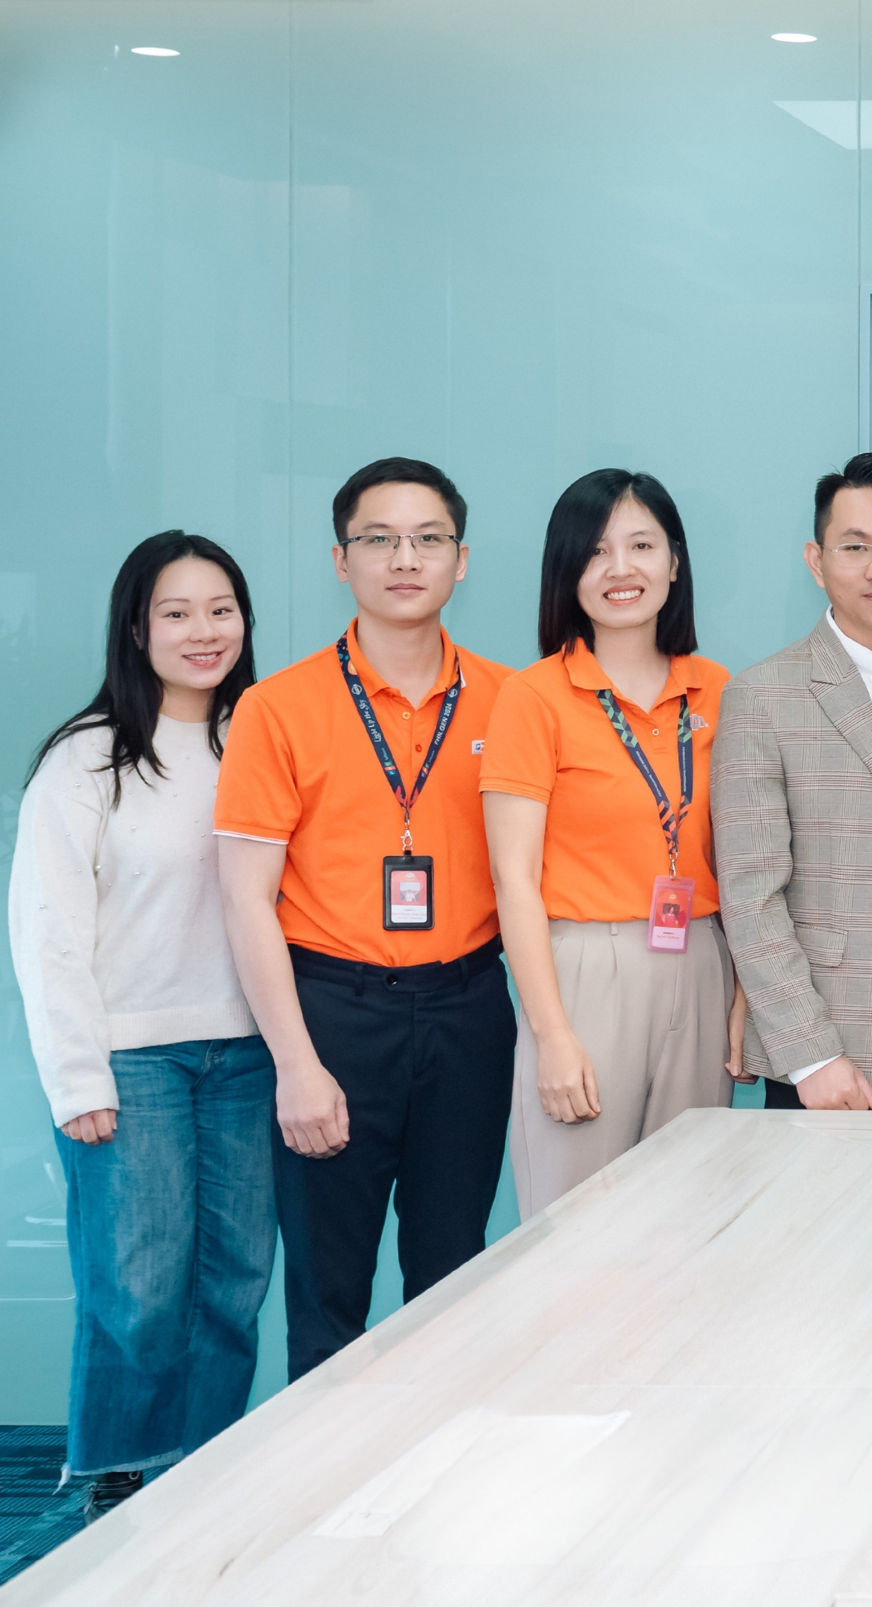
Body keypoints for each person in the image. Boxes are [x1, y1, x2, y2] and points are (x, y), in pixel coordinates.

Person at [213, 458, 512, 1379]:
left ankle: (442, 1463)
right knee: (327, 1295)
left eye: (428, 539)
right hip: (333, 1015)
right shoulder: (278, 708)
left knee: (454, 1280)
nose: (404, 559)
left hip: (469, 1011)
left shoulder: (512, 701)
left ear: (462, 559)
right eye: (379, 539)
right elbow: (245, 899)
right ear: (341, 561)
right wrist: (296, 1064)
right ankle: (322, 1472)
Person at [10, 534, 267, 1515]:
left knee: (235, 1284)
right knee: (138, 1286)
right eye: (176, 612)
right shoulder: (85, 759)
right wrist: (77, 1076)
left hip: (250, 1053)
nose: (204, 631)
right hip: (134, 1059)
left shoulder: (261, 736)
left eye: (221, 609)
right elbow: (47, 929)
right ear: (134, 628)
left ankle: (203, 1479)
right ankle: (113, 1482)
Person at [480, 471, 740, 1216]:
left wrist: (746, 995)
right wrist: (551, 1034)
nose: (620, 569)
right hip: (585, 972)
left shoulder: (719, 689)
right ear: (567, 570)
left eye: (641, 546)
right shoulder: (533, 697)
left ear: (675, 562)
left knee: (689, 1217)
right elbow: (514, 880)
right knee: (577, 1226)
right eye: (596, 551)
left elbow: (749, 861)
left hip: (702, 960)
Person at [714, 452, 872, 1112]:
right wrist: (812, 1054)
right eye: (855, 547)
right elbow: (751, 893)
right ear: (816, 560)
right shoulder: (762, 696)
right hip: (835, 1042)